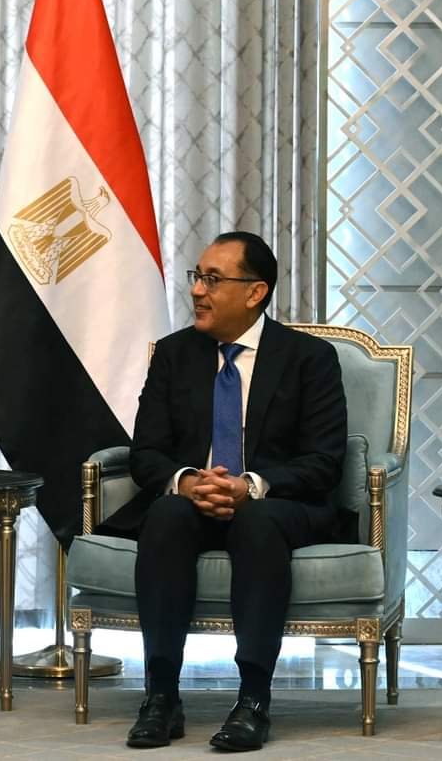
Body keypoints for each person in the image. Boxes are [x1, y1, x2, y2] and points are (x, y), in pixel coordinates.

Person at [97, 232, 347, 752]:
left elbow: (324, 462)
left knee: (256, 519)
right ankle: (161, 696)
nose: (197, 291)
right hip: (194, 501)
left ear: (255, 292)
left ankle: (253, 700)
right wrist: (189, 482)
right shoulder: (174, 355)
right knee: (165, 515)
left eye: (212, 280)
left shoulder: (310, 358)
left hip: (278, 506)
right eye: (198, 277)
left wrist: (250, 487)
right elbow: (146, 453)